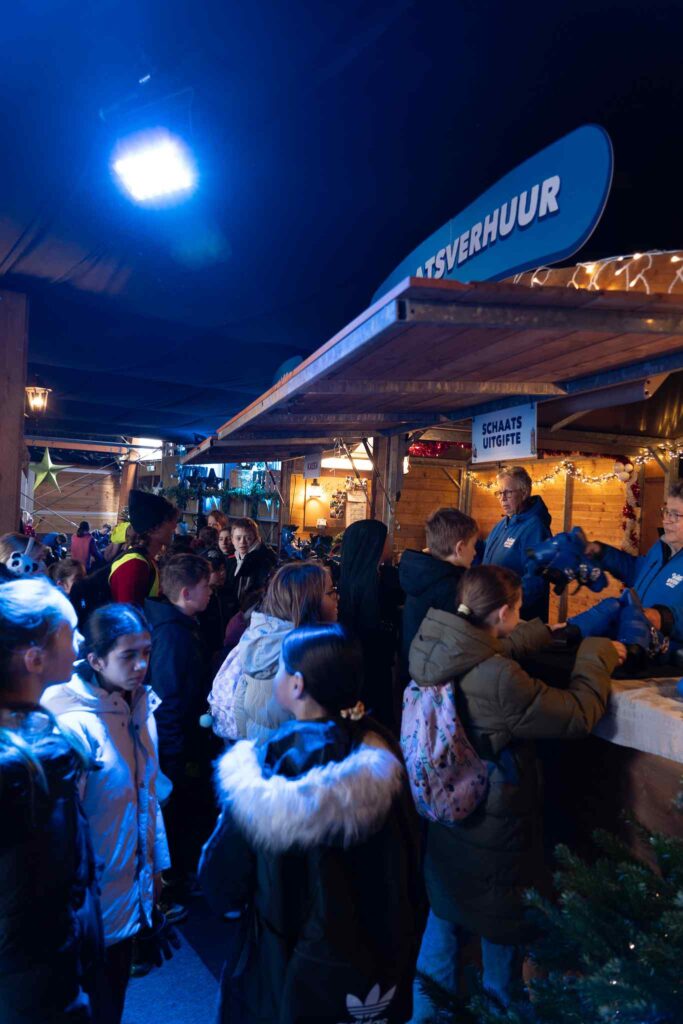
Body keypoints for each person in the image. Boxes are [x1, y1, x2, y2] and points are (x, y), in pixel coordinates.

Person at [407, 564, 622, 1009]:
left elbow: (487, 649)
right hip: (492, 829)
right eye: (519, 611)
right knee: (500, 945)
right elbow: (576, 714)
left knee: (441, 934)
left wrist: (543, 632)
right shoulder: (501, 679)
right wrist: (596, 653)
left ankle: (425, 1016)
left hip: (446, 821)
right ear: (503, 614)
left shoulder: (435, 642)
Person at [200, 624, 424, 1024]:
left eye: (281, 669)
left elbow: (222, 882)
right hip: (374, 962)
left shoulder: (267, 768)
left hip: (287, 962)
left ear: (297, 685)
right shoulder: (380, 751)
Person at [43, 605, 175, 1024]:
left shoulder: (141, 708)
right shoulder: (73, 726)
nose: (141, 665)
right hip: (87, 906)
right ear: (96, 660)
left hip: (127, 892)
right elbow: (61, 833)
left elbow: (147, 796)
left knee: (112, 1002)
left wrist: (155, 872)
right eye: (128, 655)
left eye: (146, 652)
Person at [0, 577, 103, 1023]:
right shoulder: (24, 771)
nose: (80, 642)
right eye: (71, 632)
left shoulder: (37, 750)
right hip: (33, 988)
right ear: (34, 658)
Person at [145, 553, 213, 916]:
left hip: (180, 739)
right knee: (174, 817)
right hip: (175, 744)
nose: (211, 591)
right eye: (206, 587)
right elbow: (168, 697)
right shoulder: (173, 635)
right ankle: (169, 888)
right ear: (186, 593)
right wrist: (173, 753)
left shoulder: (180, 626)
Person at [209, 562, 338, 743]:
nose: (337, 597)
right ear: (308, 601)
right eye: (331, 592)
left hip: (261, 751)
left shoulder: (261, 640)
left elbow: (240, 710)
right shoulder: (305, 656)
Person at [568, 479, 683, 649]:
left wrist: (664, 618)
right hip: (633, 645)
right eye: (666, 512)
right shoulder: (661, 547)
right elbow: (636, 571)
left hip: (666, 659)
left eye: (676, 515)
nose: (666, 520)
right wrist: (602, 552)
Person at [338, 519, 403, 730]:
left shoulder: (374, 576)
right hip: (371, 664)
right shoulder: (371, 584)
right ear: (373, 544)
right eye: (386, 537)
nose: (390, 541)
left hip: (372, 661)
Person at [399, 507, 478, 667]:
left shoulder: (425, 573)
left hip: (414, 663)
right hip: (432, 669)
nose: (475, 552)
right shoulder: (449, 586)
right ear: (460, 548)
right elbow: (458, 636)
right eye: (473, 545)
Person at [482, 466, 552, 621]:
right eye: (499, 493)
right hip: (494, 614)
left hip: (519, 619)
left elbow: (537, 579)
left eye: (508, 492)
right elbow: (484, 552)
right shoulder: (502, 524)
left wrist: (506, 603)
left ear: (524, 493)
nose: (502, 498)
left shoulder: (535, 528)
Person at [109, 490, 178, 607]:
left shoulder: (146, 560)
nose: (175, 526)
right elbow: (129, 615)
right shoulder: (134, 565)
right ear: (153, 528)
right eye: (170, 521)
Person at [224, 517, 278, 619]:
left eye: (248, 538)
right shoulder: (232, 559)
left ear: (256, 538)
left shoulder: (265, 560)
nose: (242, 542)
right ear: (232, 539)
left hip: (255, 614)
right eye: (238, 538)